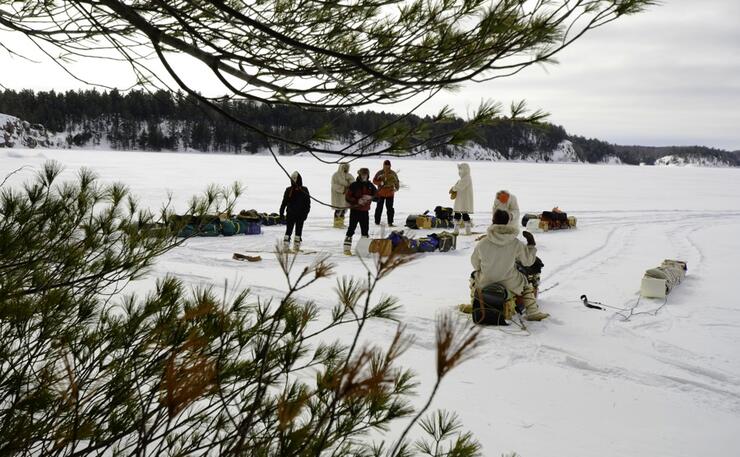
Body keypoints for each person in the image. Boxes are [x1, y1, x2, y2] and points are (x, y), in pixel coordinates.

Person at [470, 209, 549, 321]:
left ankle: (476, 301)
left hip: (485, 282)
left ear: (493, 221)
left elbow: (475, 263)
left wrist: (483, 270)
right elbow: (528, 262)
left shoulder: (483, 242)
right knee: (525, 283)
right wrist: (531, 245)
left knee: (473, 276)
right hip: (509, 282)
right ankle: (533, 312)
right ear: (508, 221)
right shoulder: (515, 243)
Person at [344, 168, 377, 255]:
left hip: (365, 212)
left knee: (365, 231)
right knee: (351, 229)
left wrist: (370, 197)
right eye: (363, 174)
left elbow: (378, 197)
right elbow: (347, 197)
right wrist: (357, 200)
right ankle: (346, 249)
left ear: (368, 175)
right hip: (355, 210)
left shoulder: (370, 185)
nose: (364, 176)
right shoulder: (354, 185)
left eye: (366, 174)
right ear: (359, 175)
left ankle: (363, 250)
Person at [279, 171, 311, 252]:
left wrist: (305, 213)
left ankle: (293, 247)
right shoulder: (291, 190)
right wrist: (281, 213)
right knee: (292, 230)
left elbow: (307, 203)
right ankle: (289, 247)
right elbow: (284, 202)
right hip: (293, 214)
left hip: (297, 214)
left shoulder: (302, 190)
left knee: (294, 231)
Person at [372, 159, 400, 226]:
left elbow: (397, 181)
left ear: (390, 166)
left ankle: (390, 222)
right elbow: (374, 181)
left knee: (390, 209)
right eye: (385, 165)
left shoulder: (393, 173)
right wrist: (380, 183)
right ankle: (377, 222)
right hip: (380, 193)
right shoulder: (379, 172)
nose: (387, 167)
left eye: (388, 166)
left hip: (390, 194)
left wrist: (396, 188)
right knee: (379, 208)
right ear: (383, 165)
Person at [449, 162, 474, 235]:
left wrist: (453, 189)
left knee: (464, 214)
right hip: (461, 199)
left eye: (461, 169)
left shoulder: (467, 178)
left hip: (464, 200)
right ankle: (456, 230)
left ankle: (468, 230)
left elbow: (460, 186)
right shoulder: (464, 178)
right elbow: (459, 185)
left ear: (465, 170)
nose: (459, 171)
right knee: (457, 213)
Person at [331, 162, 354, 228]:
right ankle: (337, 224)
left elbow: (353, 183)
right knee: (338, 209)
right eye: (344, 167)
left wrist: (350, 186)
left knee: (344, 210)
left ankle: (341, 223)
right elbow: (334, 185)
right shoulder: (336, 175)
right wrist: (343, 189)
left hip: (346, 196)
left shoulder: (349, 175)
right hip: (338, 196)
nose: (345, 169)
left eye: (346, 167)